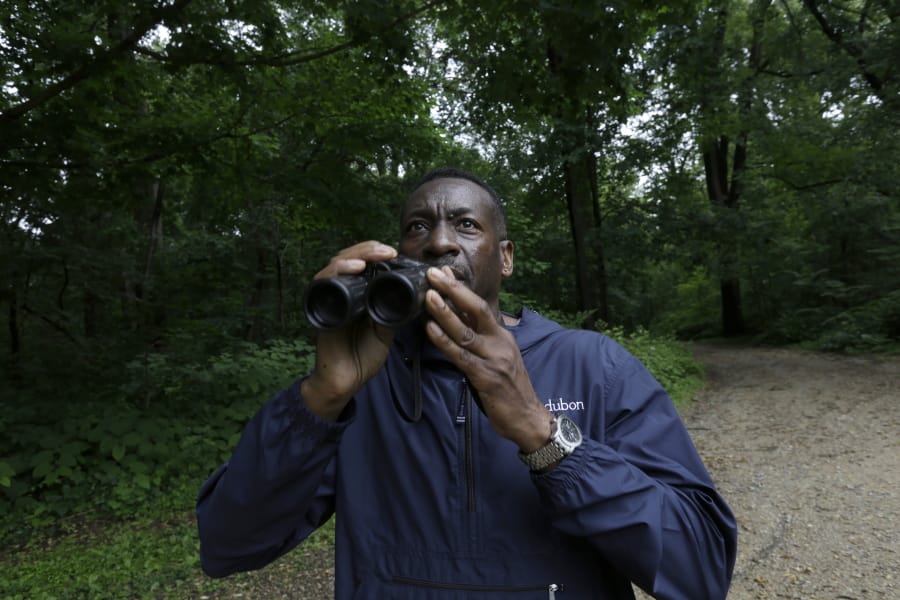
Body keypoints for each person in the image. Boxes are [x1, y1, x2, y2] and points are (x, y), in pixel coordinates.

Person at [197, 167, 737, 599]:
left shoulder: (594, 365)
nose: (438, 242)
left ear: (505, 258)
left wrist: (539, 430)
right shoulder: (363, 386)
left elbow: (700, 567)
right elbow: (228, 545)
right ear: (399, 257)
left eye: (467, 225)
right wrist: (322, 397)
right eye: (416, 227)